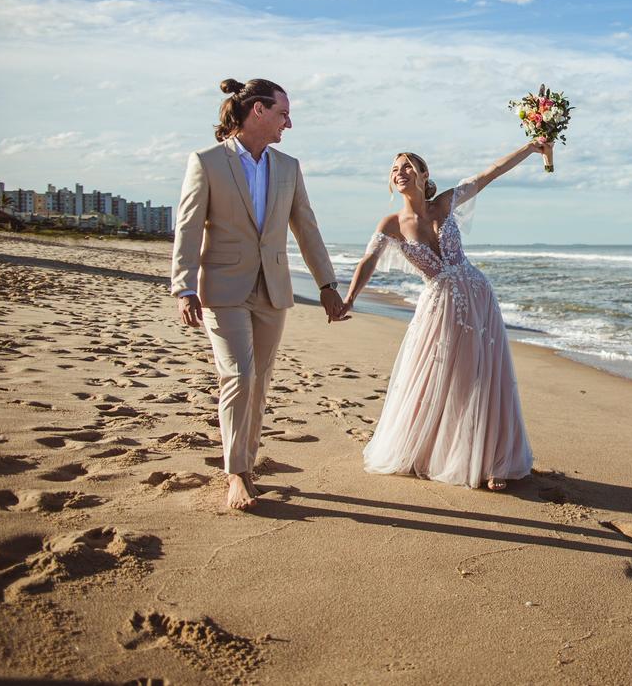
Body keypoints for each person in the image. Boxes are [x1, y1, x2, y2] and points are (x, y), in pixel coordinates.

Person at [170, 78, 347, 511]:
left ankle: (245, 463)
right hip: (223, 289)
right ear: (259, 112)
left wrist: (327, 285)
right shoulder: (207, 161)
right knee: (239, 376)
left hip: (273, 288)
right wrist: (183, 287)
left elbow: (306, 227)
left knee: (260, 383)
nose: (289, 122)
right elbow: (189, 226)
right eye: (284, 113)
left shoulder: (288, 166)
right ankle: (237, 474)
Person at [343, 141, 551, 490]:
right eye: (395, 169)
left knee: (485, 376)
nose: (400, 172)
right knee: (444, 378)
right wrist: (349, 298)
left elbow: (491, 172)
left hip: (478, 296)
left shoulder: (446, 203)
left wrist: (531, 147)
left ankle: (492, 461)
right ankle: (444, 453)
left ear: (425, 175)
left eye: (408, 166)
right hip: (439, 305)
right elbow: (369, 261)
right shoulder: (391, 223)